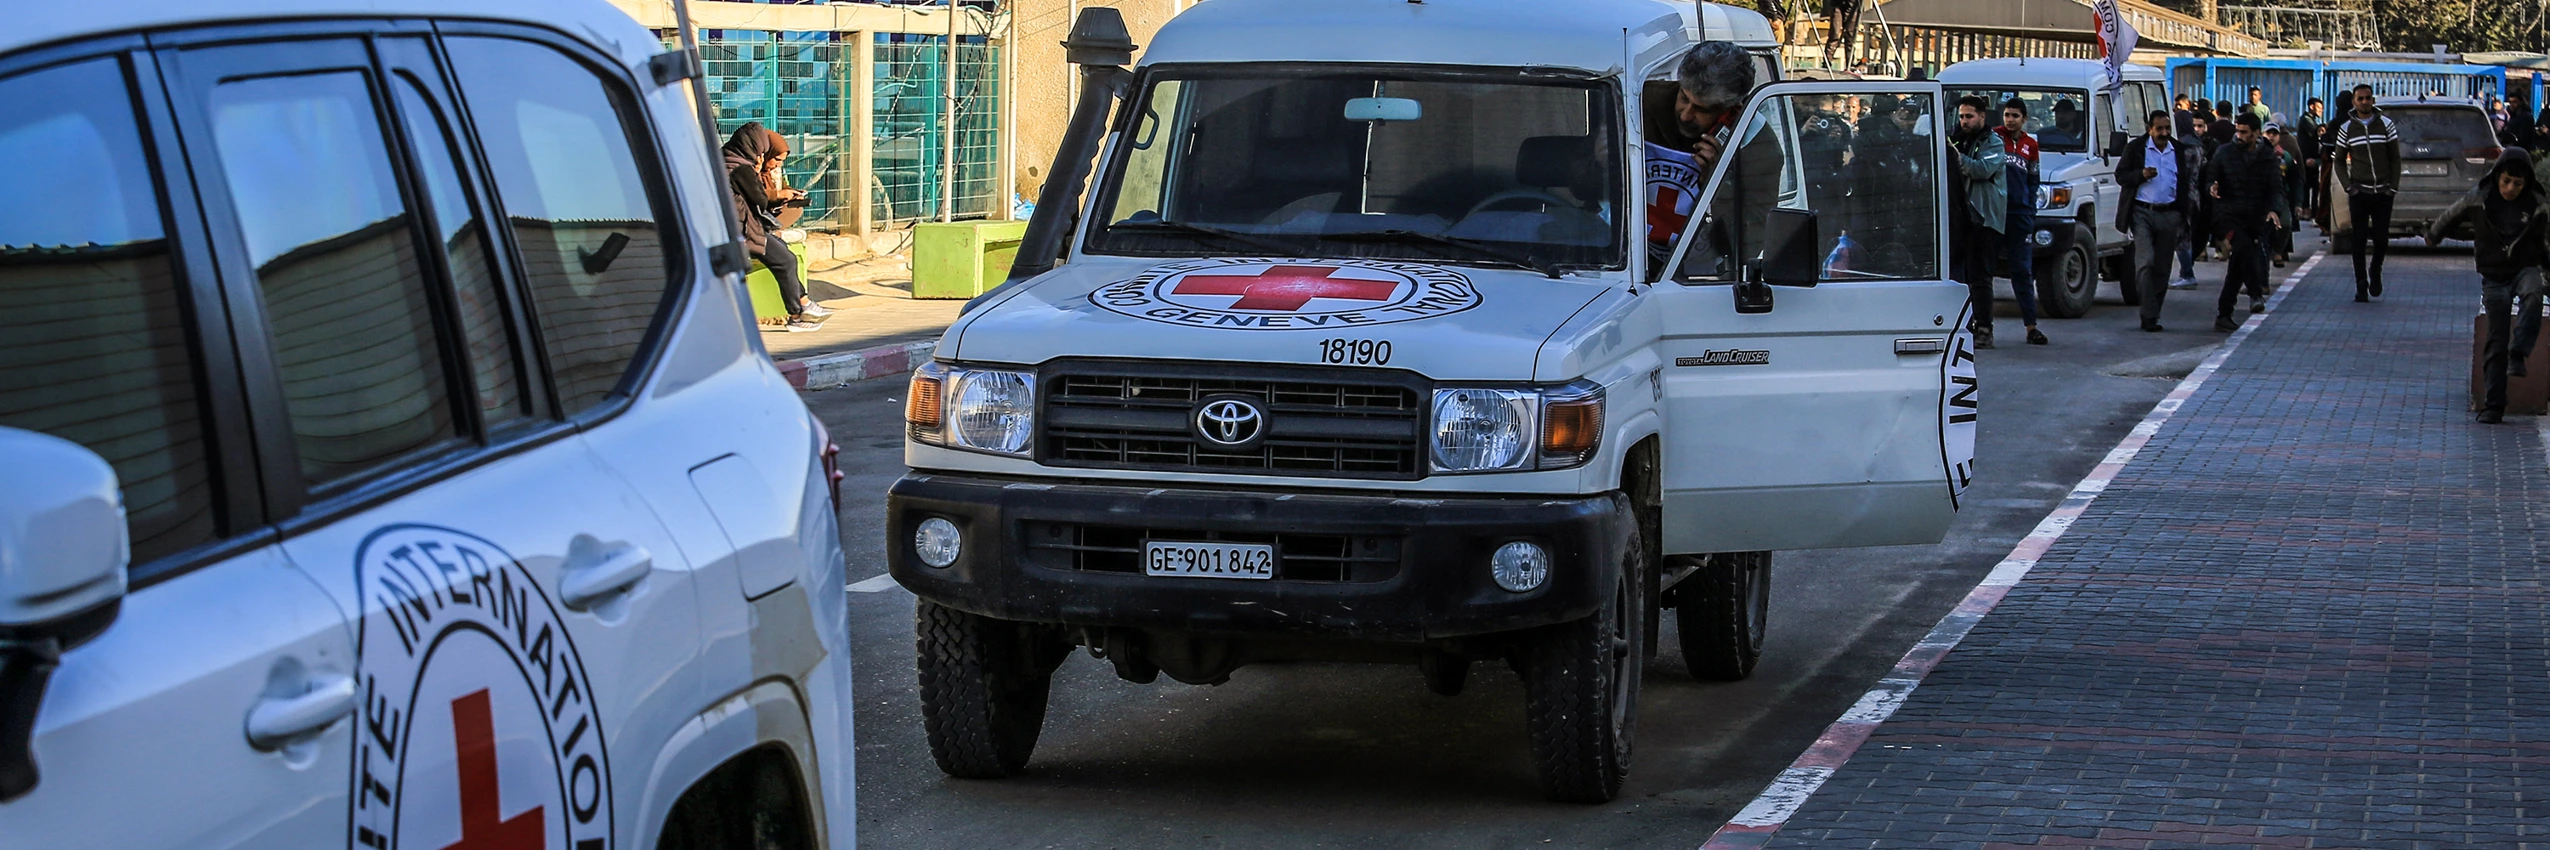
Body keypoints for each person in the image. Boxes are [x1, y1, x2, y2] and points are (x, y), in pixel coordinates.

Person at [2425, 150, 2550, 423]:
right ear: (2497, 177)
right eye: (2506, 181)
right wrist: (2434, 234)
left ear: (2526, 183)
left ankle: (2519, 352)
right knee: (2496, 337)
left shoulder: (2536, 205)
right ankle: (2494, 404)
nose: (2510, 189)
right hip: (2493, 275)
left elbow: (2541, 243)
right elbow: (2451, 215)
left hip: (2524, 268)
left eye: (2517, 184)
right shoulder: (2479, 197)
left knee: (2533, 294)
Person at [1642, 40, 1756, 274]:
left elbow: (1746, 245)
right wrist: (1600, 159)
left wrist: (1718, 183)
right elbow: (1585, 189)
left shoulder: (1758, 145)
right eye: (1684, 98)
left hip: (1699, 280)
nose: (1685, 115)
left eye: (1702, 109)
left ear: (1731, 111)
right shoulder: (1639, 103)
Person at [723, 122, 826, 331]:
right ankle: (798, 313)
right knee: (785, 260)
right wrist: (759, 171)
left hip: (737, 226)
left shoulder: (725, 158)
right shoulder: (741, 167)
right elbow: (759, 199)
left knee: (784, 256)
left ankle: (804, 304)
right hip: (741, 230)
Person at [2118, 110, 2197, 333]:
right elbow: (2121, 175)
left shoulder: (2177, 150)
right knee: (2145, 263)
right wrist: (2140, 175)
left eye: (2167, 128)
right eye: (2159, 129)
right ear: (2149, 129)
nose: (2164, 133)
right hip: (2142, 212)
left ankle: (2153, 315)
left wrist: (2183, 213)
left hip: (2170, 213)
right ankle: (2148, 313)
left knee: (2162, 268)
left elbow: (2185, 182)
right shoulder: (2136, 149)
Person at [2206, 111, 2285, 331]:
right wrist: (2212, 187)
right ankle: (2255, 293)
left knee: (2238, 265)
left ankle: (2224, 313)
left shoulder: (2267, 157)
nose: (2239, 136)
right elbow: (2210, 178)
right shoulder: (2224, 153)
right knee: (2244, 250)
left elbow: (2276, 189)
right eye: (2237, 131)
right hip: (2227, 216)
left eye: (2245, 132)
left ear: (2256, 134)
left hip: (2254, 218)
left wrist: (2273, 210)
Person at [2331, 83, 2403, 301]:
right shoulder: (2347, 129)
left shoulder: (2386, 125)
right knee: (2359, 240)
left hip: (2382, 192)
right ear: (2354, 102)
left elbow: (2395, 158)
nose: (2364, 102)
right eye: (2360, 98)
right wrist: (2349, 187)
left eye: (2368, 98)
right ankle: (2361, 284)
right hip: (2359, 192)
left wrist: (2392, 187)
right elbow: (2339, 161)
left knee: (2381, 239)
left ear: (2373, 100)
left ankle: (2376, 271)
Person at [1949, 95, 2008, 348]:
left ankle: (1984, 328)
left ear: (1982, 117)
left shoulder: (1993, 142)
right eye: (1961, 116)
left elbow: (1982, 170)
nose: (1964, 121)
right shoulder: (1958, 139)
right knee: (1957, 276)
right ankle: (1963, 325)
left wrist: (1956, 157)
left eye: (1969, 116)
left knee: (1980, 276)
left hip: (1984, 219)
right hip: (1960, 217)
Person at [1996, 97, 2047, 344]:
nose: (2010, 120)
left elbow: (2033, 180)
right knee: (1982, 270)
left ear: (2024, 119)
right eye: (2007, 115)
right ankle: (1979, 326)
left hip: (2020, 216)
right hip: (1995, 215)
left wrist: (2030, 211)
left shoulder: (2031, 146)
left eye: (2015, 116)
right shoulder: (1994, 138)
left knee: (2022, 272)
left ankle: (2031, 327)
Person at [2265, 122, 2302, 266]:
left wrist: (2298, 203)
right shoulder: (2256, 153)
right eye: (2268, 133)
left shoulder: (2285, 156)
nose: (2271, 137)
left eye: (2274, 134)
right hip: (2260, 197)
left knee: (2286, 224)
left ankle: (2277, 251)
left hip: (2281, 196)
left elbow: (2295, 180)